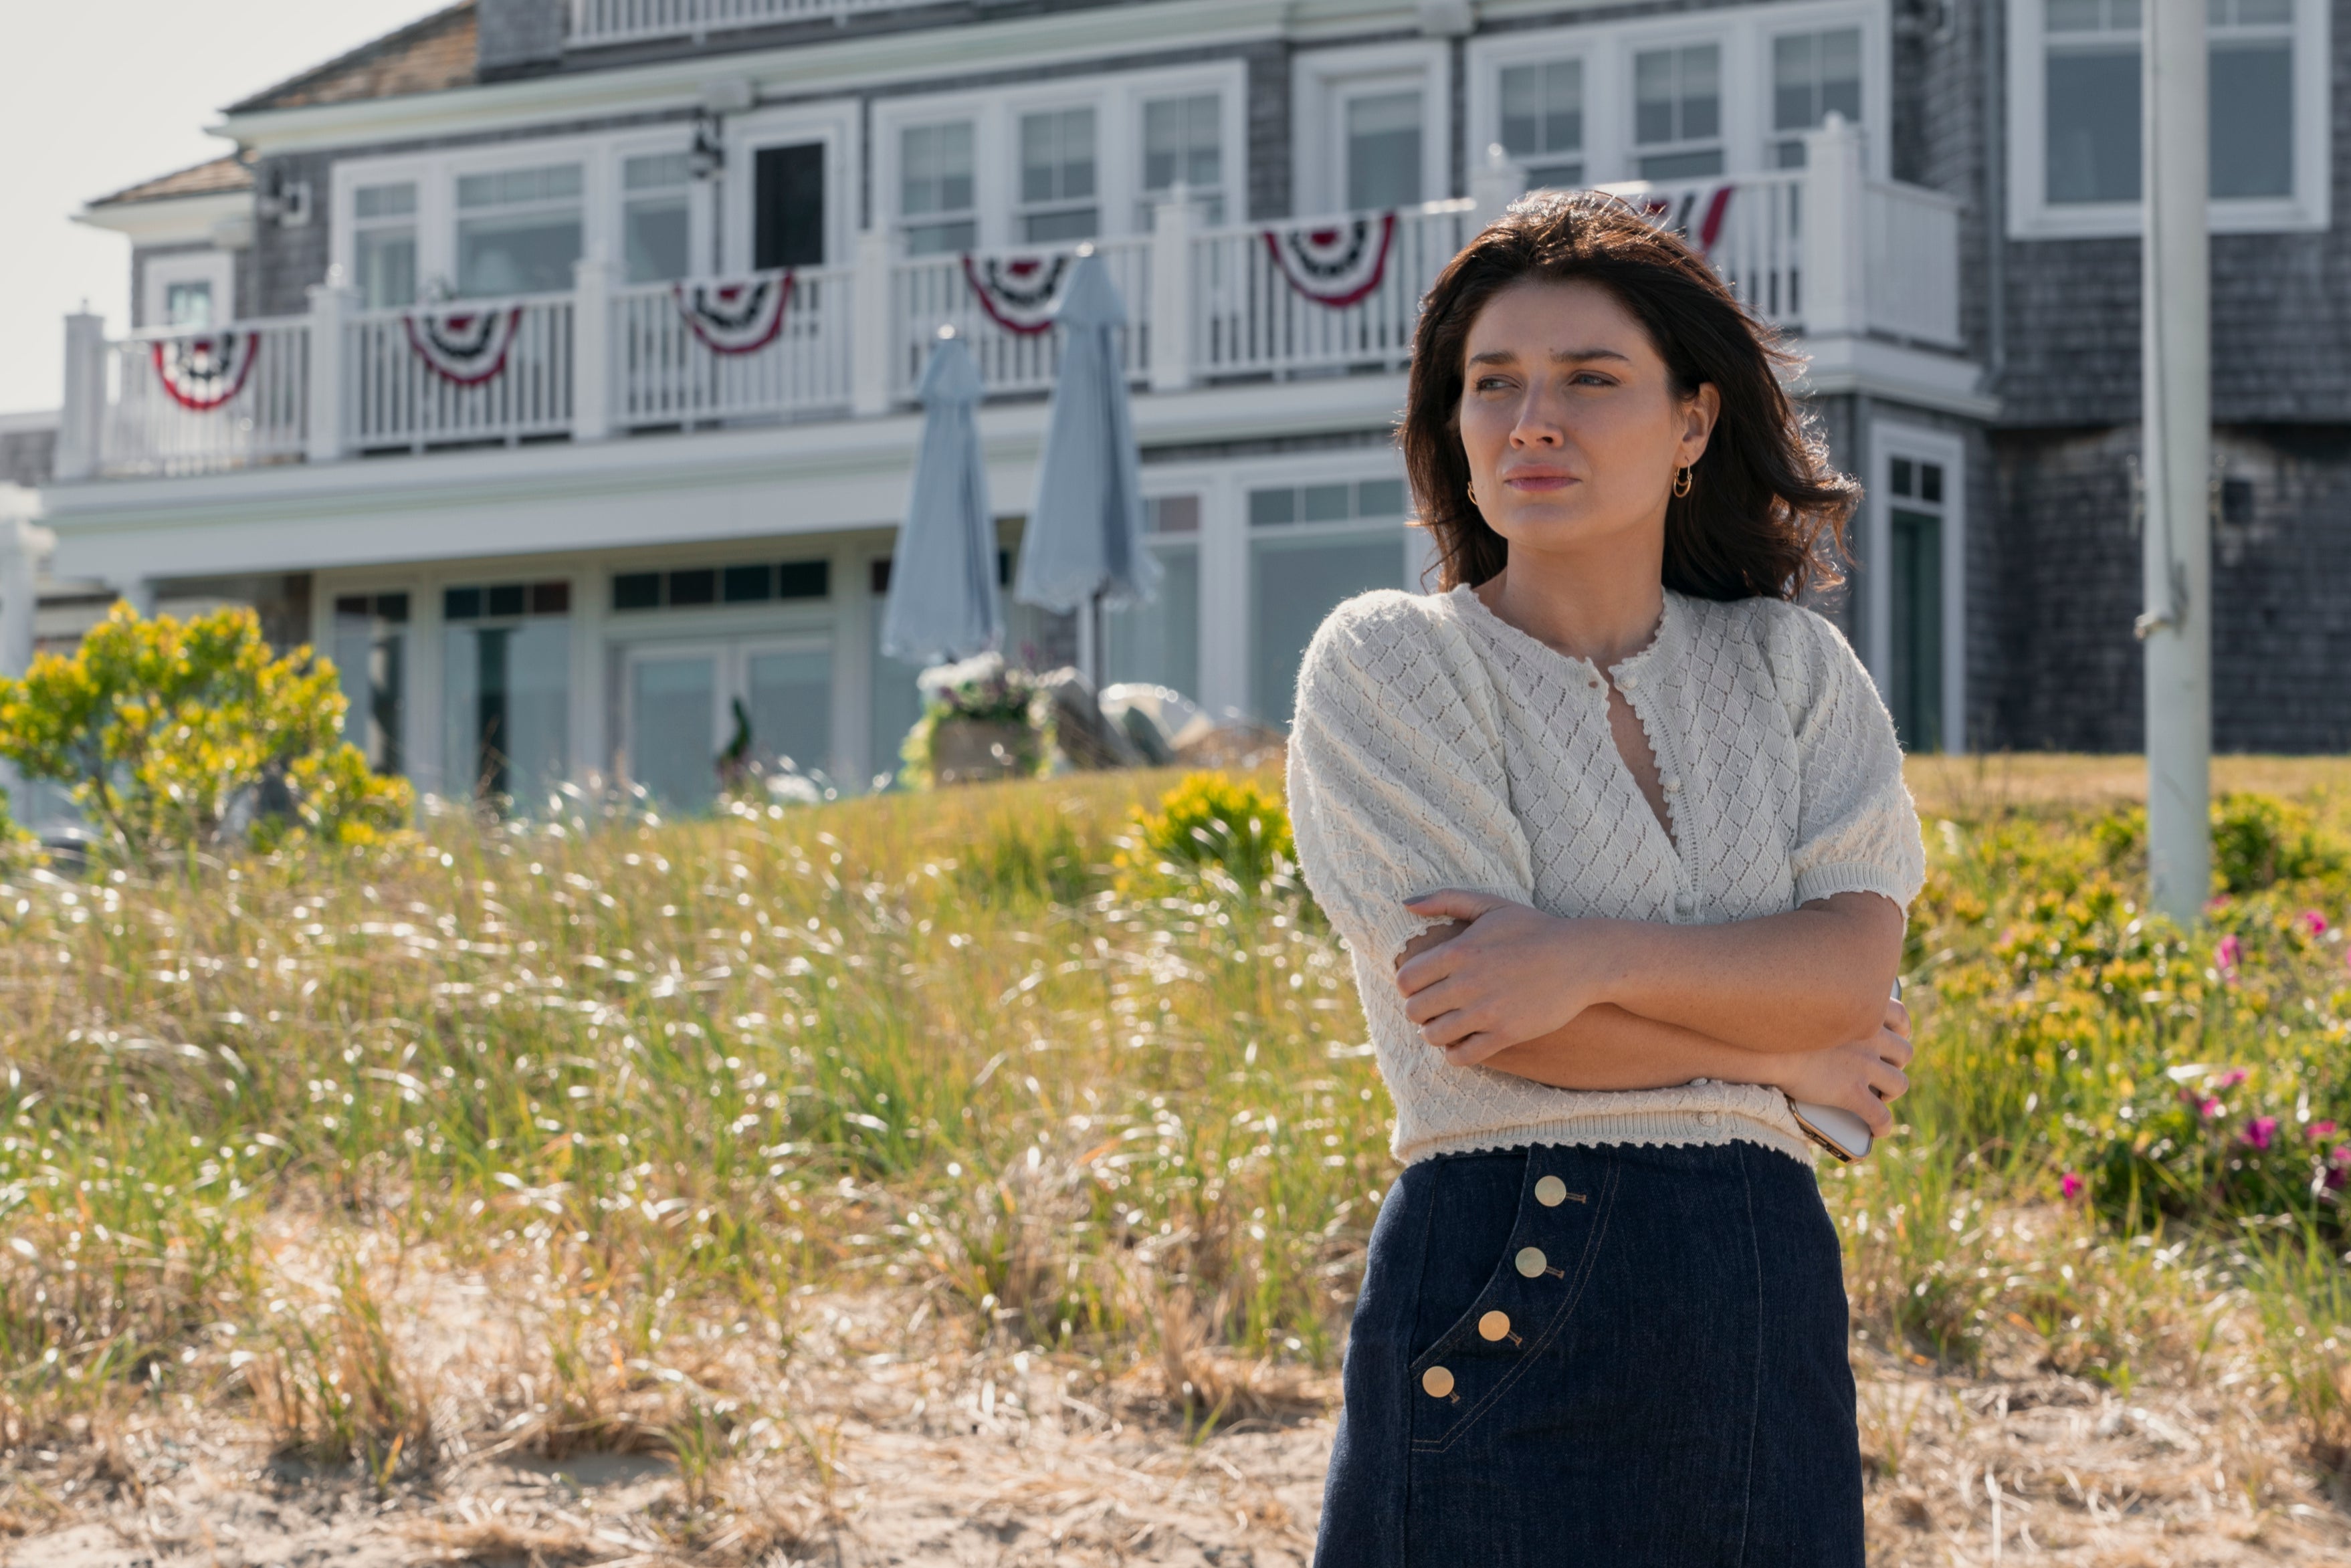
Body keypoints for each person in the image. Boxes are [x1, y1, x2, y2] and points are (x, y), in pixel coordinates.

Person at [1287, 191, 1926, 1565]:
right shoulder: (1392, 664)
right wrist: (1783, 1069)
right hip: (1507, 1264)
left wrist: (1590, 954)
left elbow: (1850, 970)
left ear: (1694, 420)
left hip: (1761, 1295)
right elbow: (1493, 1023)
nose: (1532, 420)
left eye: (1591, 379)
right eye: (1493, 383)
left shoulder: (1793, 669)